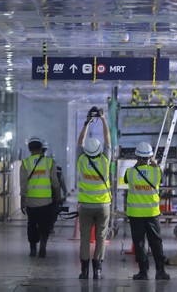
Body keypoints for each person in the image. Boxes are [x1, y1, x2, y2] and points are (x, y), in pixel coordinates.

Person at [76, 106, 111, 280]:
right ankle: (97, 270)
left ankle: (84, 271)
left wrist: (87, 122)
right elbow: (108, 140)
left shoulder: (81, 159)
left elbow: (80, 141)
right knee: (101, 237)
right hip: (103, 205)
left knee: (84, 238)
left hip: (85, 206)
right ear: (98, 149)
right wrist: (103, 119)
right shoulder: (105, 159)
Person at [125, 142, 170, 280]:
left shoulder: (130, 172)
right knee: (156, 242)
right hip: (152, 214)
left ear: (137, 156)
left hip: (135, 215)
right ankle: (160, 271)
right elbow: (159, 176)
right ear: (150, 157)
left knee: (139, 243)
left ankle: (143, 272)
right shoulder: (156, 172)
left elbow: (128, 179)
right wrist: (154, 163)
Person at [20, 135, 60, 258]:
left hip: (31, 201)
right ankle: (43, 244)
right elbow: (55, 182)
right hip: (46, 201)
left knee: (31, 223)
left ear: (29, 148)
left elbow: (23, 184)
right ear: (41, 147)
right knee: (45, 224)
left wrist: (22, 200)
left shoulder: (25, 163)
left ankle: (33, 247)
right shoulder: (49, 162)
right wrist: (57, 197)